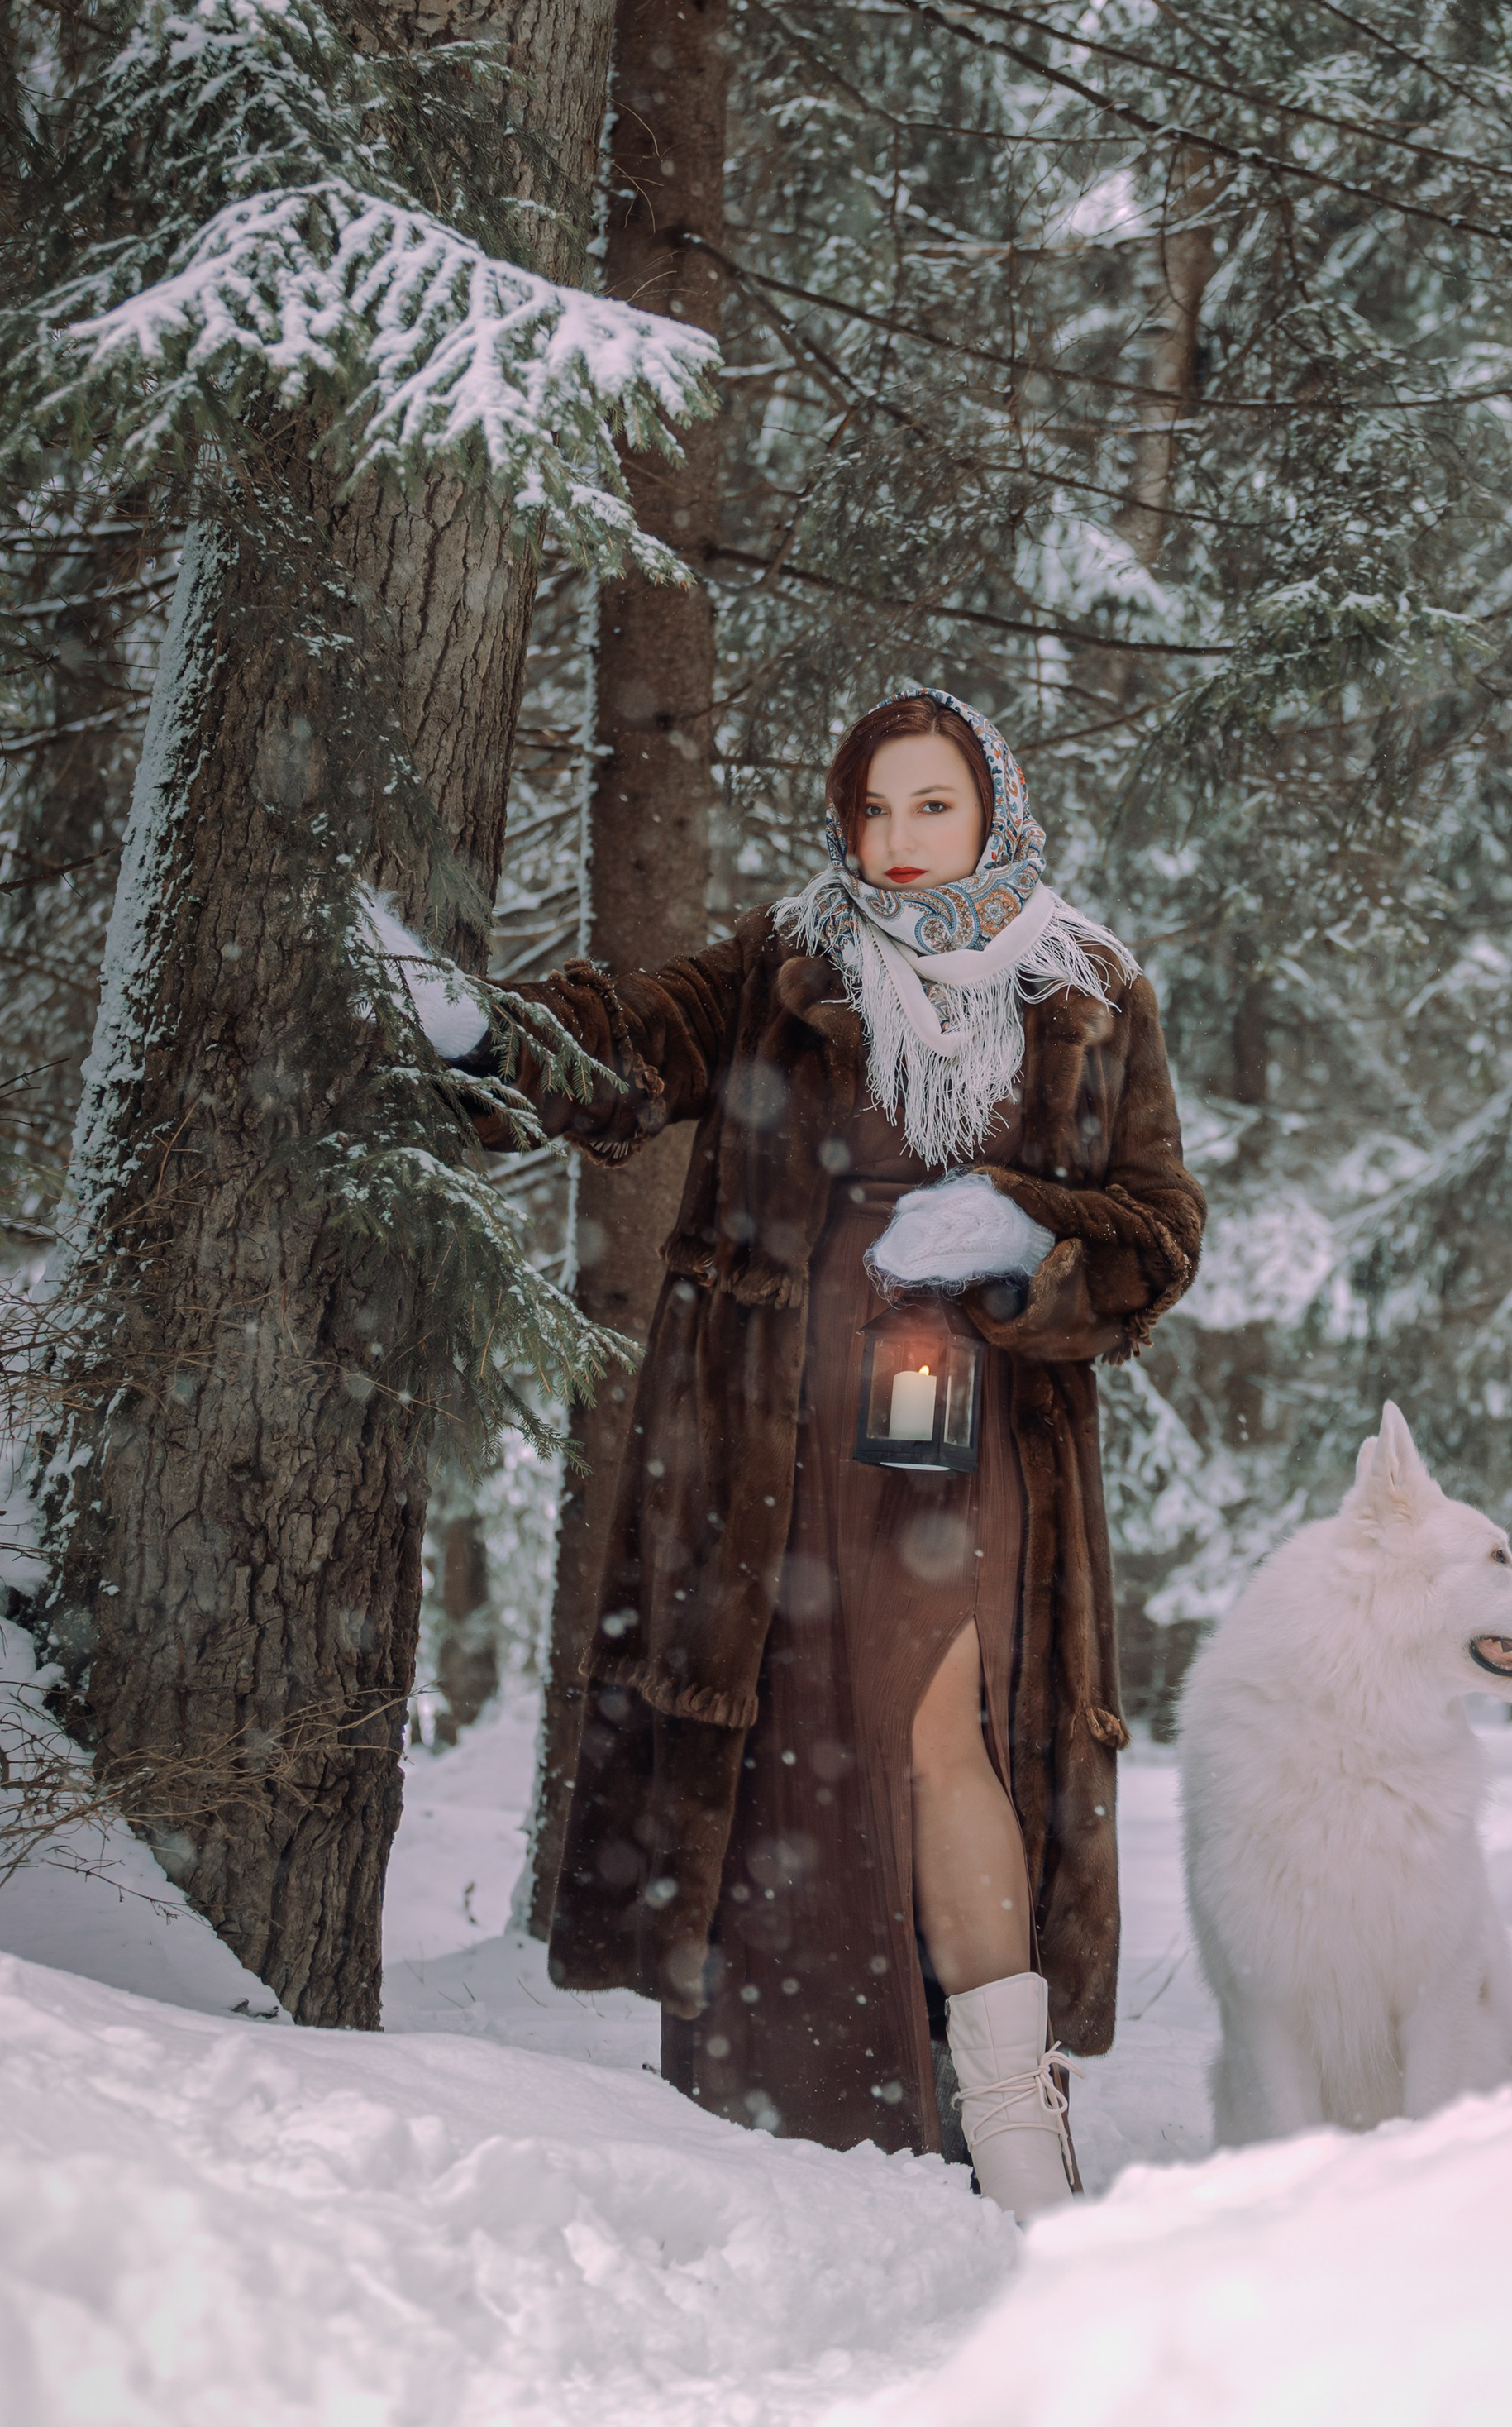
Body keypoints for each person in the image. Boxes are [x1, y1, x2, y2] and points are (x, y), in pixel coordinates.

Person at [481, 686, 1203, 2214]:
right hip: (771, 1434)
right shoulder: (788, 961)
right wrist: (493, 1032)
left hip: (970, 1428)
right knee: (785, 1742)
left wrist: (1023, 1232)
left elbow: (1155, 1234)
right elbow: (638, 1039)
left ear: (994, 806)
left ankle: (1012, 2121)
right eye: (873, 809)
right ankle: (785, 2130)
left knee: (949, 1735)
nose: (897, 842)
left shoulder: (1090, 987)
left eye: (931, 805)